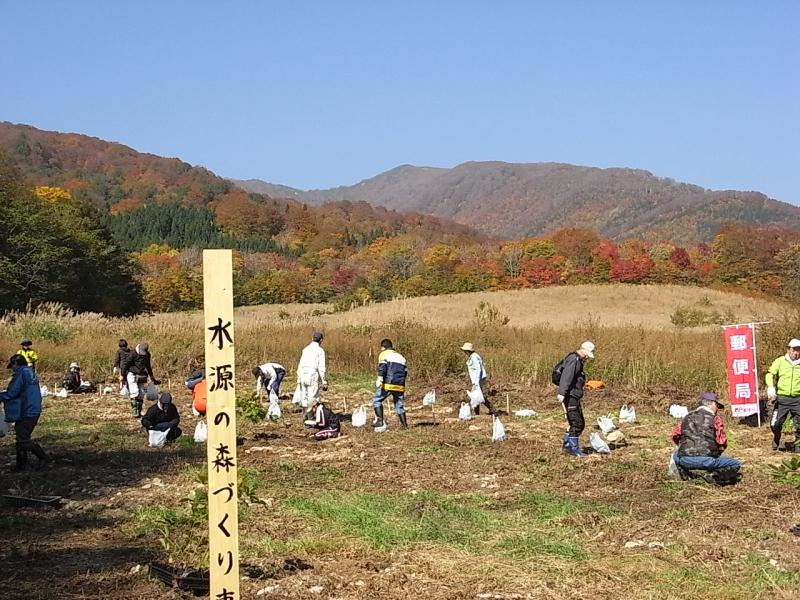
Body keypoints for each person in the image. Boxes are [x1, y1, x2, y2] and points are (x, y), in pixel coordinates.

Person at [670, 392, 741, 485]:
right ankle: (714, 476)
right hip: (708, 460)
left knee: (676, 455)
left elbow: (675, 435)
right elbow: (722, 442)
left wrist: (683, 447)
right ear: (712, 404)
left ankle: (685, 476)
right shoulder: (715, 419)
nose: (717, 409)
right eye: (717, 405)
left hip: (685, 460)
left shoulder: (686, 417)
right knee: (735, 464)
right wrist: (716, 453)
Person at [0, 355, 49, 471]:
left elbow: (12, 393)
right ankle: (21, 465)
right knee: (21, 436)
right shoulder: (31, 373)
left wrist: (1, 396)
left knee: (23, 439)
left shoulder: (20, 374)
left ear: (16, 364)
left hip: (26, 410)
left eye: (13, 366)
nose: (13, 369)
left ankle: (43, 457)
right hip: (33, 409)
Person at [557, 341, 595, 457]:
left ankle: (567, 446)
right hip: (570, 396)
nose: (587, 357)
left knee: (577, 423)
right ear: (583, 351)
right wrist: (562, 393)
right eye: (587, 355)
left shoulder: (578, 360)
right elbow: (566, 377)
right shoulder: (574, 360)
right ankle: (573, 449)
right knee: (577, 423)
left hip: (574, 395)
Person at [765, 338, 800, 452]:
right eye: (794, 350)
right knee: (775, 423)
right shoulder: (780, 361)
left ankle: (798, 444)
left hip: (797, 399)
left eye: (798, 350)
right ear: (788, 349)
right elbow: (770, 374)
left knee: (799, 424)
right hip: (782, 399)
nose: (796, 352)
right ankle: (776, 436)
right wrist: (771, 387)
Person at [372, 338, 408, 431]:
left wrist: (380, 379)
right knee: (399, 404)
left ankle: (380, 421)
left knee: (377, 400)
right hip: (400, 384)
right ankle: (404, 426)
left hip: (388, 383)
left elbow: (382, 367)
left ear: (383, 347)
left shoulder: (384, 354)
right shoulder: (401, 357)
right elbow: (405, 371)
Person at [121, 342, 160, 417]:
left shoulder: (147, 355)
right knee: (134, 392)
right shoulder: (132, 353)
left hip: (142, 374)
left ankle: (139, 410)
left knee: (141, 394)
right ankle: (134, 411)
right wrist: (122, 375)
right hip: (132, 373)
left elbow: (148, 366)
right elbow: (125, 364)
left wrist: (151, 376)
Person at [461, 342, 495, 415]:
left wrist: (476, 381)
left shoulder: (474, 357)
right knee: (476, 395)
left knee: (477, 396)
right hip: (478, 379)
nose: (464, 352)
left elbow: (478, 369)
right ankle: (485, 411)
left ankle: (490, 409)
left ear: (468, 350)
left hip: (478, 379)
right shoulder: (473, 356)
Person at [296, 332, 327, 408]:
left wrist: (299, 377)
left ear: (312, 338)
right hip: (312, 374)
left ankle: (305, 416)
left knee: (304, 396)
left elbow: (300, 364)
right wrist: (324, 381)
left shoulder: (305, 349)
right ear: (321, 340)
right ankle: (311, 417)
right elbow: (321, 367)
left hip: (303, 374)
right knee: (313, 397)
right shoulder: (320, 351)